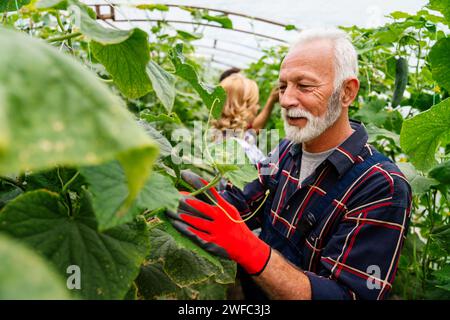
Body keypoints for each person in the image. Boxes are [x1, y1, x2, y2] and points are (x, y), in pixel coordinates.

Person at [167, 28, 412, 300]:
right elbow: (242, 202)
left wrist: (250, 248)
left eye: (304, 86)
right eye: (283, 87)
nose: (286, 100)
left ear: (346, 92)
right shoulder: (286, 150)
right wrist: (171, 198)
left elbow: (349, 295)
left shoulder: (382, 186)